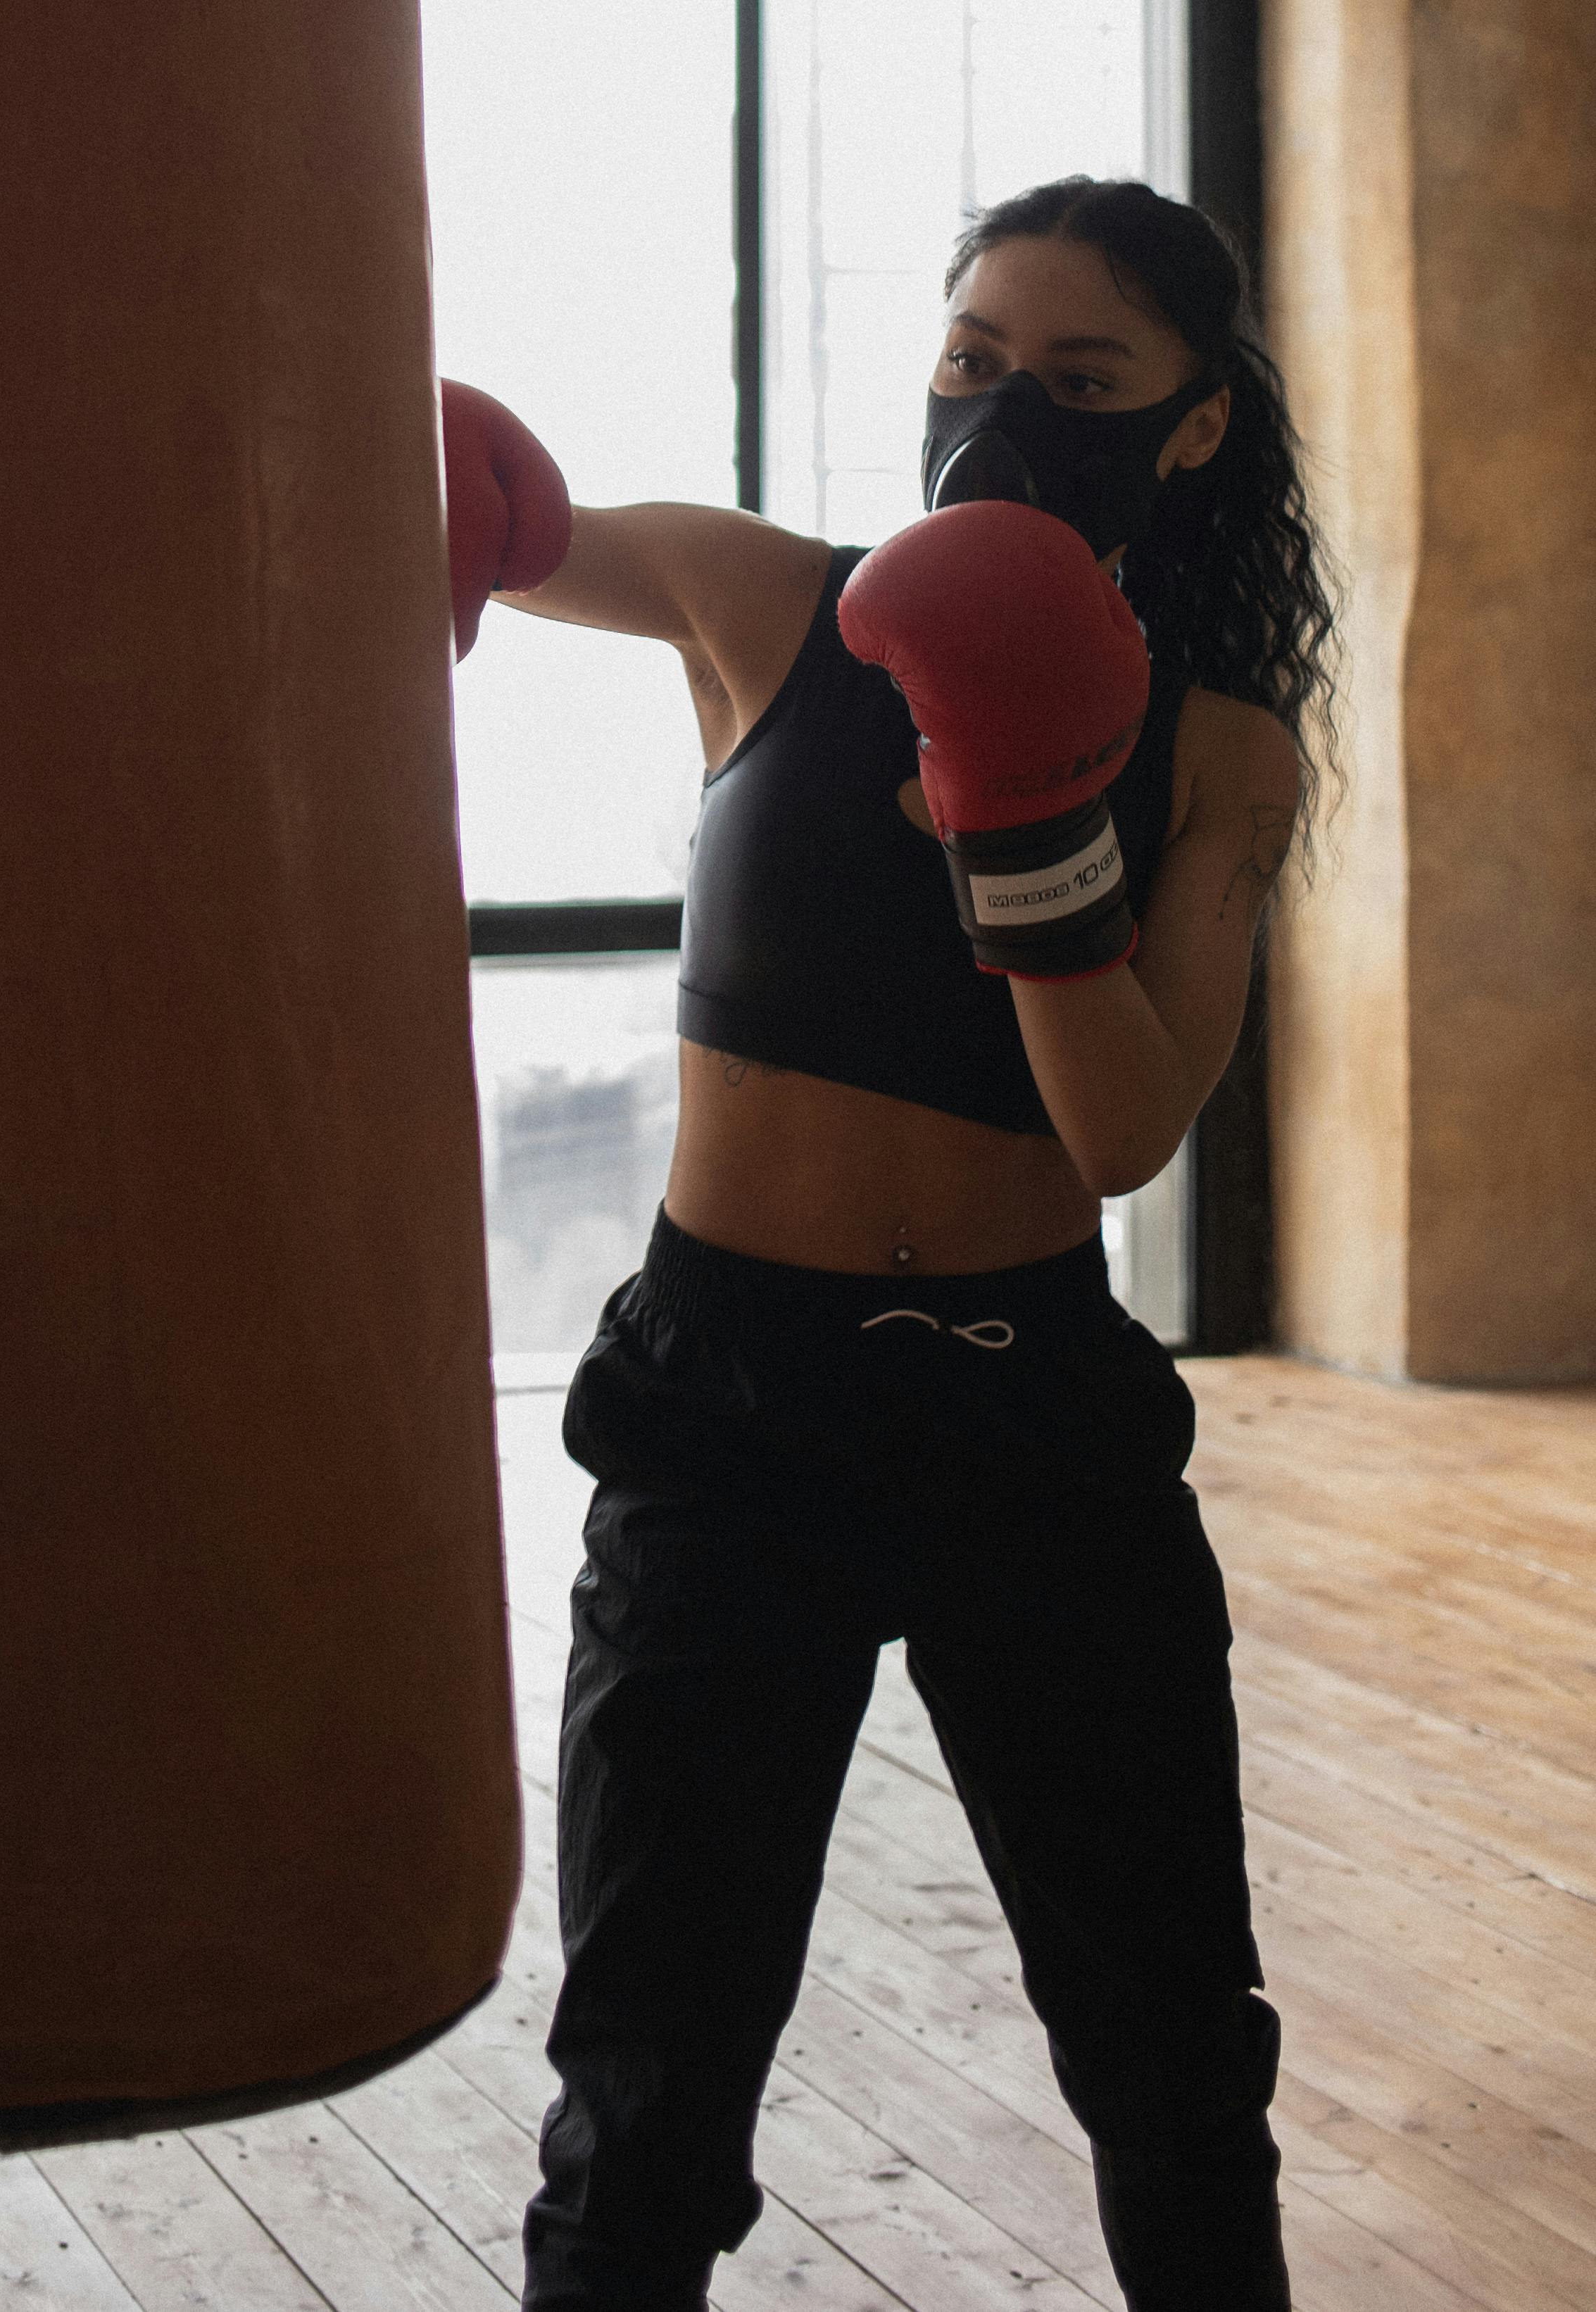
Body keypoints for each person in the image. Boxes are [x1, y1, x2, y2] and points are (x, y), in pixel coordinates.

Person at [442, 175, 1338, 2312]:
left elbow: (1122, 1127)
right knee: (647, 2093)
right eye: (972, 361)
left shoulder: (1225, 750)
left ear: (1192, 424)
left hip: (1033, 1424)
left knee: (1173, 2062)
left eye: (1082, 378)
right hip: (731, 1417)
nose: (1008, 409)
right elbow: (525, 531)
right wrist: (349, 423)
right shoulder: (765, 602)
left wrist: (1024, 828)